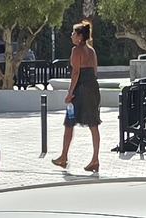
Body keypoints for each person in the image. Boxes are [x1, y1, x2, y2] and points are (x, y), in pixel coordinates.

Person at [52, 19, 99, 175]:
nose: (71, 35)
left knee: (69, 122)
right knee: (93, 124)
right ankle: (95, 159)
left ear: (79, 36)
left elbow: (76, 72)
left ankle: (64, 157)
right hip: (93, 88)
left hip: (81, 90)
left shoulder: (76, 51)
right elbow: (95, 71)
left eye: (73, 33)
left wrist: (70, 92)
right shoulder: (91, 50)